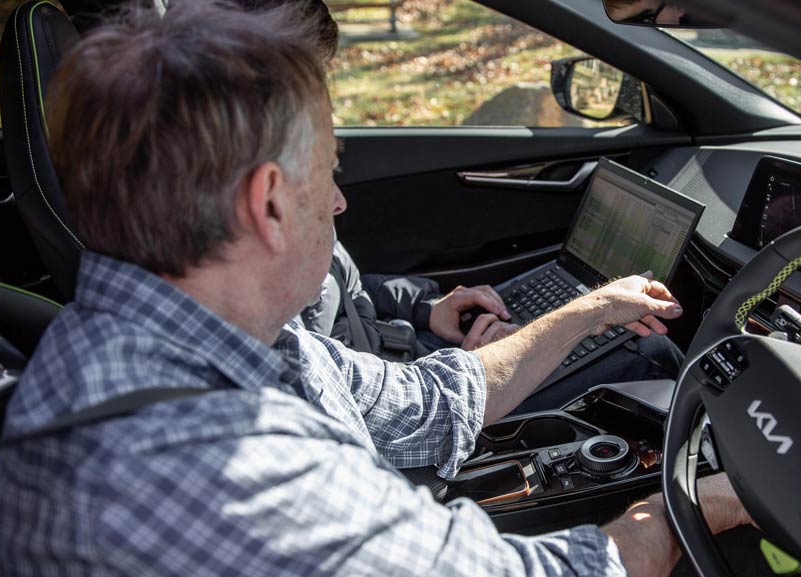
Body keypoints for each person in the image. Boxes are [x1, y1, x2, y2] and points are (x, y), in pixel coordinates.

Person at [0, 3, 786, 577]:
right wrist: (691, 500)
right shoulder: (232, 466)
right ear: (267, 204)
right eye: (328, 172)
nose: (337, 204)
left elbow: (437, 397)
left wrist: (587, 311)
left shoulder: (191, 342)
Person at [222, 0, 682, 413]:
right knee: (651, 355)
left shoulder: (280, 195)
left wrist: (426, 308)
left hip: (397, 359)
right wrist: (579, 317)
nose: (340, 202)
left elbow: (344, 293)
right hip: (408, 392)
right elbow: (394, 414)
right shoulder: (259, 305)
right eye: (306, 80)